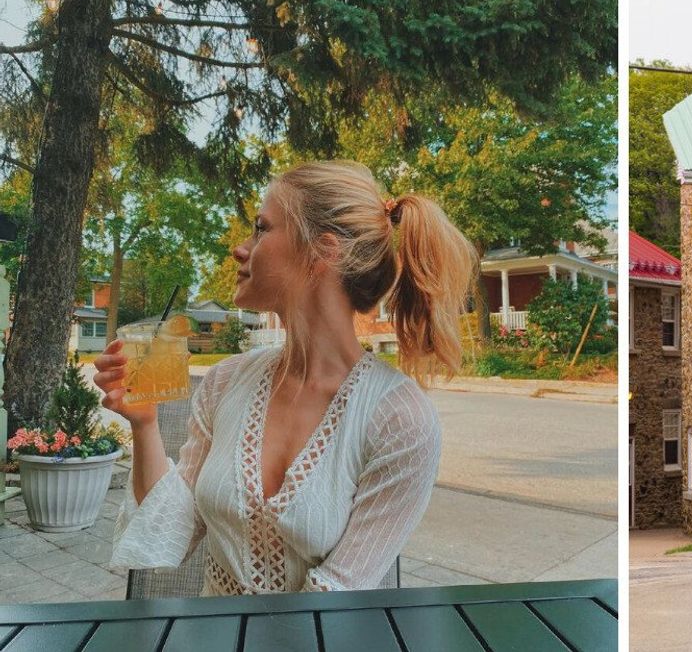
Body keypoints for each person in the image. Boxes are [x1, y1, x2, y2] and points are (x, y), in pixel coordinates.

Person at [96, 160, 477, 594]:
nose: (240, 248)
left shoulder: (400, 420)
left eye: (261, 228)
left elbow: (336, 594)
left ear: (324, 251)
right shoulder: (224, 383)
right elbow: (170, 535)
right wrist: (144, 423)